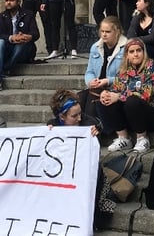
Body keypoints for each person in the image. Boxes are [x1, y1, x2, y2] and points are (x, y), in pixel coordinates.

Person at [46, 89, 110, 231]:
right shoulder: (52, 125)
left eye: (80, 113)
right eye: (74, 116)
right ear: (62, 117)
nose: (79, 118)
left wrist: (97, 131)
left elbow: (94, 155)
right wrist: (47, 135)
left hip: (84, 174)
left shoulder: (90, 123)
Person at [100, 39, 154, 153]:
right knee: (108, 100)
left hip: (152, 114)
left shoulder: (151, 66)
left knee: (132, 101)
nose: (136, 54)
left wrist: (119, 96)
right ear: (127, 55)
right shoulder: (124, 70)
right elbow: (115, 89)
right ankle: (124, 138)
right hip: (132, 116)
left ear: (143, 52)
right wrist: (107, 94)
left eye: (139, 50)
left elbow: (146, 94)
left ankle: (142, 139)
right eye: (132, 51)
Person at [0, 0, 39, 92]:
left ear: (18, 1)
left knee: (22, 42)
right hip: (8, 48)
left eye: (11, 0)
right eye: (6, 0)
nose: (8, 3)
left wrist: (27, 36)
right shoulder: (0, 17)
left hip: (24, 50)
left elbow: (35, 34)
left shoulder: (28, 14)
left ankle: (6, 67)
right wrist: (11, 38)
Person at [85, 17, 128, 96]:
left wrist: (108, 81)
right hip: (97, 87)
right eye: (102, 31)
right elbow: (89, 71)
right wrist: (91, 81)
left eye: (108, 32)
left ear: (117, 32)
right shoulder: (95, 47)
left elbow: (127, 76)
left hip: (116, 89)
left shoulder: (126, 48)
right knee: (79, 99)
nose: (104, 34)